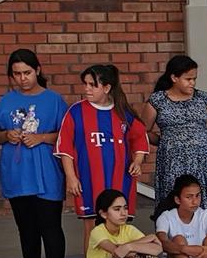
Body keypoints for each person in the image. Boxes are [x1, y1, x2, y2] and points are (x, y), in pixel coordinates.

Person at [0, 49, 67, 258]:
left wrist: (41, 137)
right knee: (26, 227)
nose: (22, 78)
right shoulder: (6, 101)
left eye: (27, 72)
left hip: (46, 172)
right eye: (17, 74)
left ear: (38, 70)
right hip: (17, 172)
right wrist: (6, 135)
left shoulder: (54, 100)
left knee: (50, 225)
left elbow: (67, 134)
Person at [56, 63, 149, 237]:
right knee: (92, 228)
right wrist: (71, 177)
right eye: (85, 84)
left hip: (120, 179)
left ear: (107, 88)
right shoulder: (76, 112)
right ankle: (92, 257)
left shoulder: (124, 113)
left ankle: (118, 257)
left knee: (118, 227)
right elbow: (65, 147)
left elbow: (140, 139)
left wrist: (137, 162)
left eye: (92, 85)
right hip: (87, 181)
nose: (87, 88)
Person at [141, 55, 207, 232]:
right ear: (174, 78)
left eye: (194, 79)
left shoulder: (204, 99)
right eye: (188, 79)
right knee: (176, 203)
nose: (192, 83)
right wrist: (166, 142)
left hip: (204, 162)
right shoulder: (157, 101)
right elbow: (143, 131)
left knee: (205, 200)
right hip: (173, 163)